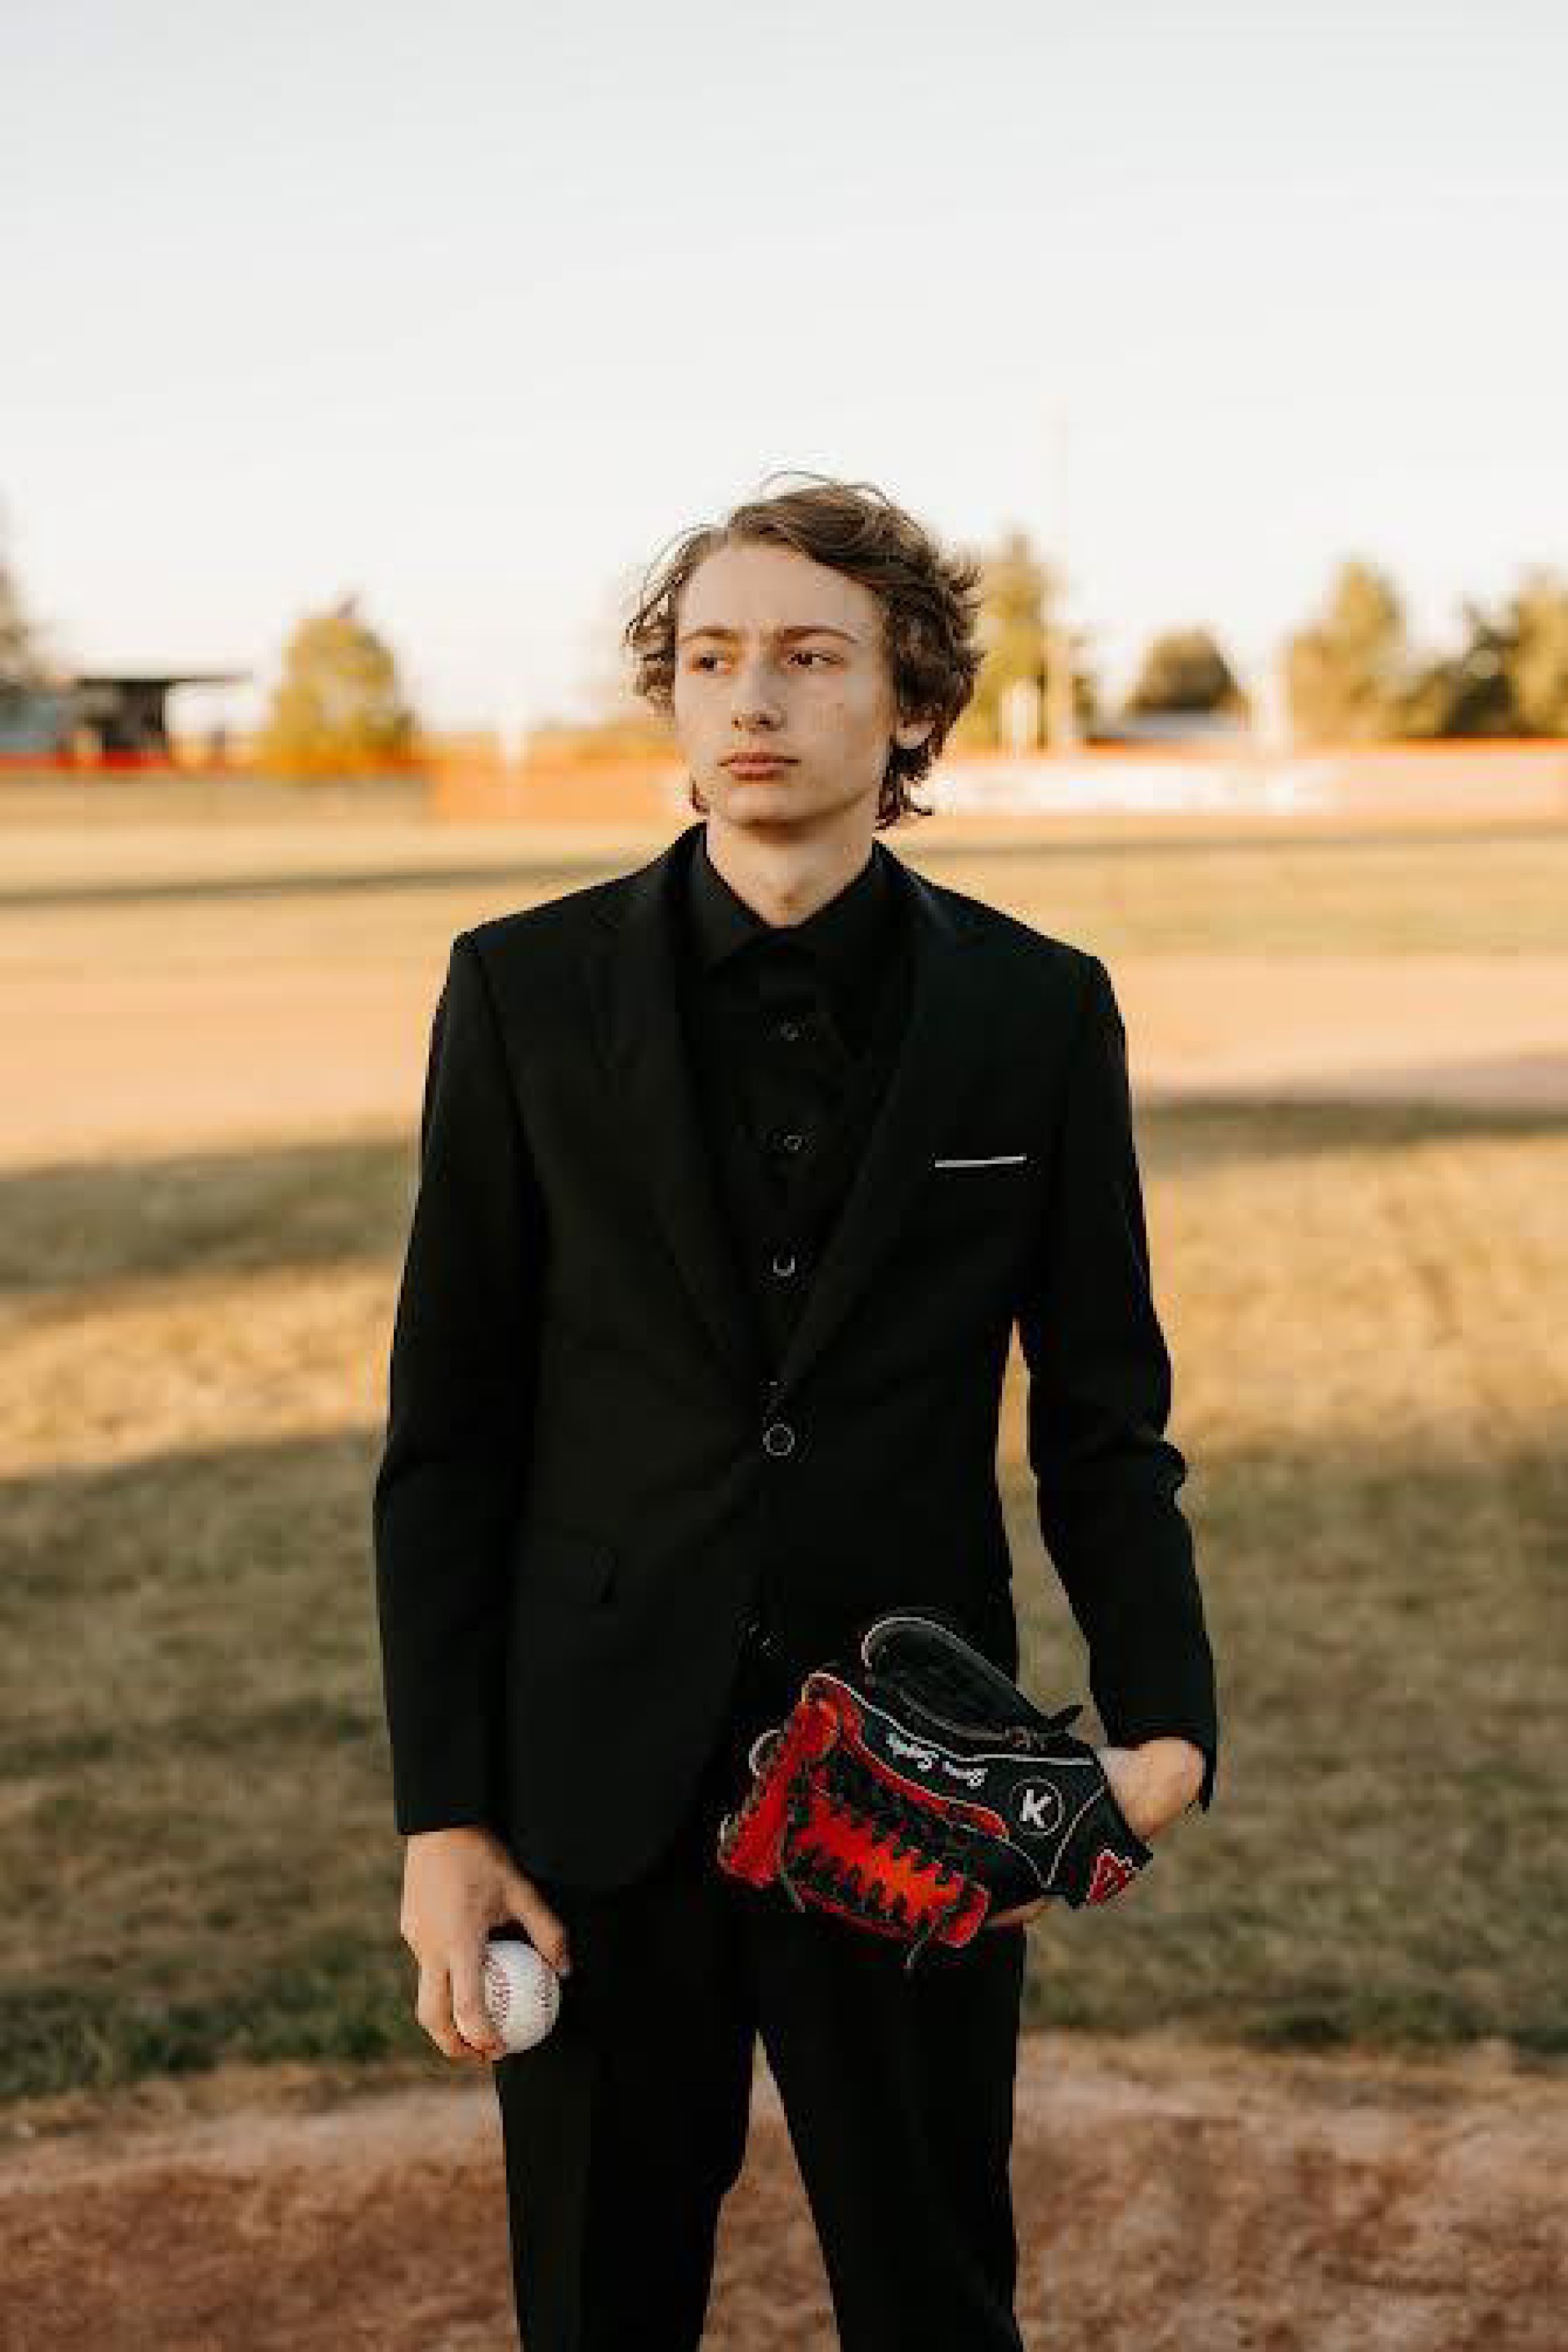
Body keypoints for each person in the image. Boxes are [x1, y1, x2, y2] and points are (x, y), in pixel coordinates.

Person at [372, 473, 1221, 2350]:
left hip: (908, 1776)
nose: (751, 696)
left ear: (913, 705)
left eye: (812, 656)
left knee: (933, 2296)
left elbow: (1100, 1416)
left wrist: (1168, 1721)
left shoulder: (1038, 1009)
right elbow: (449, 1438)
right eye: (711, 657)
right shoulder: (517, 994)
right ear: (670, 702)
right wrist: (448, 1814)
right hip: (595, 1790)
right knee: (600, 2304)